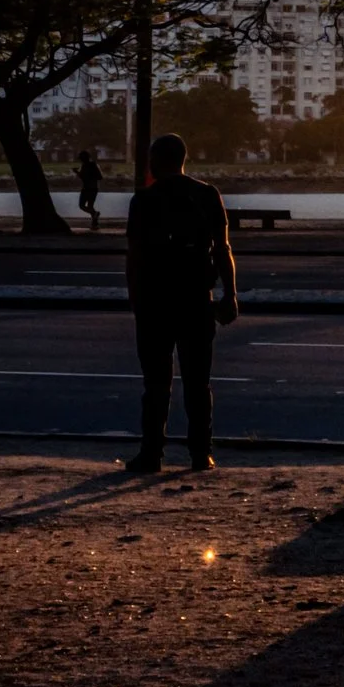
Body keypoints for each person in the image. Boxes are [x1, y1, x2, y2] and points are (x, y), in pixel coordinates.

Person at [124, 133, 237, 473]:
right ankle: (201, 453)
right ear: (183, 159)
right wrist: (230, 294)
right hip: (196, 299)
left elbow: (135, 257)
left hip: (155, 301)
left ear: (156, 161)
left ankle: (151, 453)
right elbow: (222, 249)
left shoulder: (143, 201)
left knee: (156, 383)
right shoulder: (207, 194)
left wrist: (135, 301)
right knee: (198, 382)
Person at [75, 149, 104, 233]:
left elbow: (84, 177)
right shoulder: (93, 165)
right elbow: (100, 177)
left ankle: (95, 214)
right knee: (90, 206)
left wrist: (77, 172)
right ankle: (95, 224)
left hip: (87, 188)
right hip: (94, 188)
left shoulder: (86, 165)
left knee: (82, 205)